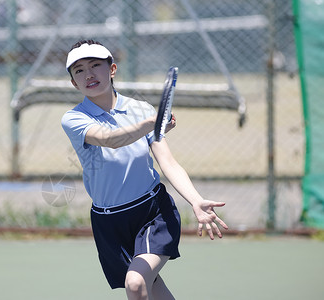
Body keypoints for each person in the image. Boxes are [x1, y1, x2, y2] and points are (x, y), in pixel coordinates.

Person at [61, 39, 228, 300]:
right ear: (73, 82)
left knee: (136, 283)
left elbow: (168, 162)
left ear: (112, 69)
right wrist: (152, 123)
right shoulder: (74, 118)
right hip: (108, 222)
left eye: (95, 65)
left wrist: (195, 201)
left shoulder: (141, 110)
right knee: (152, 289)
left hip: (152, 212)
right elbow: (111, 139)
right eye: (79, 70)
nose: (89, 74)